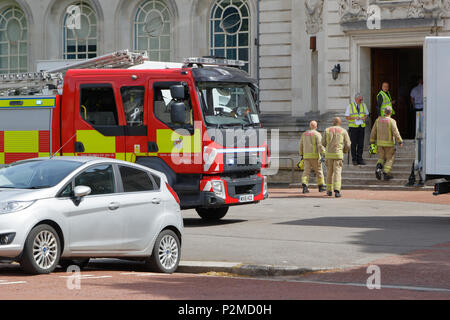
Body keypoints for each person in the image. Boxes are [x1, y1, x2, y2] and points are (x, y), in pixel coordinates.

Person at [370, 106, 403, 181]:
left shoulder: (378, 120)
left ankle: (378, 169)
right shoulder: (392, 121)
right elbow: (395, 132)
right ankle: (386, 173)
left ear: (384, 112)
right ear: (391, 112)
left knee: (381, 158)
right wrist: (400, 141)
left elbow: (373, 132)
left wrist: (372, 141)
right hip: (389, 144)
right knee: (389, 159)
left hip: (380, 144)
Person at [322, 117, 351, 198]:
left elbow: (323, 142)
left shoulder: (327, 130)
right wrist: (344, 151)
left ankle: (329, 190)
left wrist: (328, 147)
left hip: (329, 155)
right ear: (340, 123)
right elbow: (348, 144)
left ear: (333, 122)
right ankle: (337, 190)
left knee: (329, 173)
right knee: (337, 173)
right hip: (338, 155)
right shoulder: (343, 131)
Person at [299, 120, 326, 194]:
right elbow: (320, 145)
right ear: (316, 126)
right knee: (319, 172)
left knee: (306, 172)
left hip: (306, 156)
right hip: (315, 156)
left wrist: (301, 154)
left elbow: (301, 145)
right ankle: (321, 186)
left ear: (310, 126)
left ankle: (305, 186)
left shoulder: (304, 134)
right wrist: (324, 153)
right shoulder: (317, 134)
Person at [345, 93, 369, 165]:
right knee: (353, 144)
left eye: (362, 99)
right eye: (360, 99)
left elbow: (366, 114)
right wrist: (355, 118)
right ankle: (354, 159)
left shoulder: (363, 105)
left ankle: (360, 159)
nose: (361, 100)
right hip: (353, 127)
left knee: (361, 144)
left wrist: (364, 117)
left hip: (361, 126)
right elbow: (347, 117)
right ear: (356, 99)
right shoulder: (350, 106)